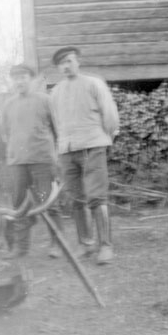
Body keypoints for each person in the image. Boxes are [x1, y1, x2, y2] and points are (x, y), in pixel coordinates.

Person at [50, 46, 119, 265]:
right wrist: (61, 147)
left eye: (69, 61)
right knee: (76, 199)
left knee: (97, 197)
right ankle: (85, 243)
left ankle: (105, 246)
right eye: (62, 63)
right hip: (67, 150)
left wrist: (104, 139)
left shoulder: (93, 84)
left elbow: (110, 115)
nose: (66, 66)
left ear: (78, 62)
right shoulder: (56, 92)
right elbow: (56, 123)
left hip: (92, 146)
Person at [2, 63, 64, 259]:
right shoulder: (8, 105)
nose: (19, 82)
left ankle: (57, 244)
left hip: (42, 161)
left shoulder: (45, 100)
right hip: (18, 163)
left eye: (23, 77)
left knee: (49, 203)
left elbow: (58, 131)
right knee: (19, 206)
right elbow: (6, 133)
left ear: (32, 79)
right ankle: (21, 247)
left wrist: (57, 158)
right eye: (16, 78)